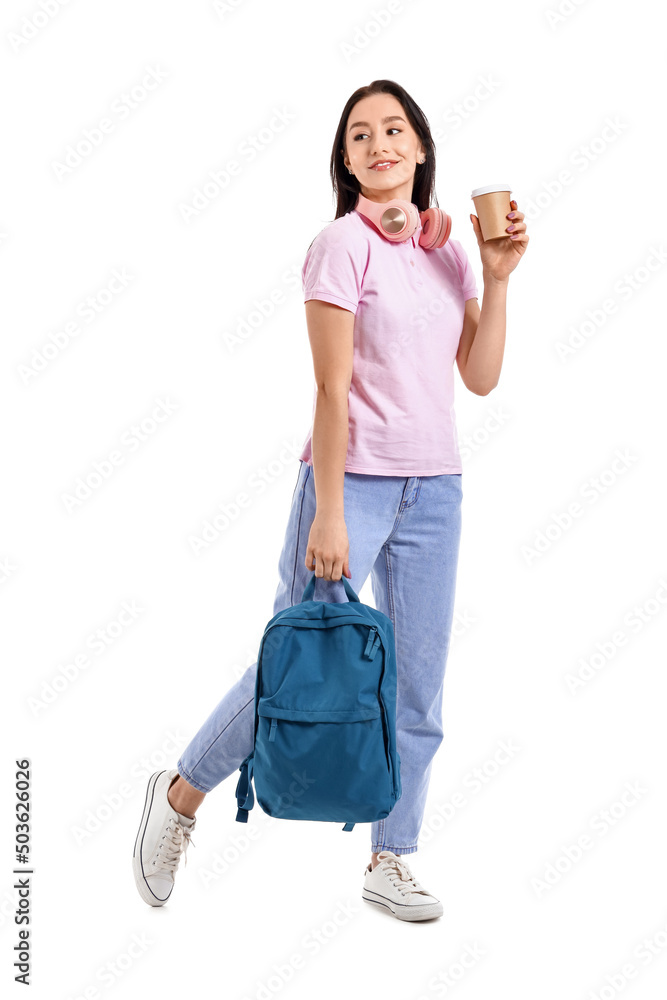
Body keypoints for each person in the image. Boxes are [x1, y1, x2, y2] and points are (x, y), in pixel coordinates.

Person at [132, 78, 528, 921]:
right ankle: (177, 798)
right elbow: (329, 386)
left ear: (420, 149)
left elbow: (482, 378)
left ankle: (392, 855)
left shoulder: (448, 248)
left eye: (394, 130)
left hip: (437, 487)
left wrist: (495, 279)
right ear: (346, 161)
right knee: (299, 666)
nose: (380, 144)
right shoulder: (338, 246)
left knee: (416, 690)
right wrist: (329, 510)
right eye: (360, 135)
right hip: (349, 482)